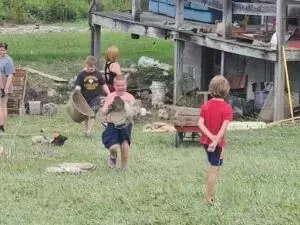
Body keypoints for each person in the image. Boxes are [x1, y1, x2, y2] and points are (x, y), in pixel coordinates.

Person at [198, 75, 233, 204]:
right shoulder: (227, 109)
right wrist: (215, 139)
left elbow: (200, 124)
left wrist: (210, 137)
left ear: (211, 89)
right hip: (216, 144)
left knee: (217, 159)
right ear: (226, 90)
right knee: (213, 169)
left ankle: (219, 161)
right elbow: (223, 129)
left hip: (206, 142)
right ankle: (209, 197)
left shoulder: (205, 106)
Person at [101, 75, 135, 169]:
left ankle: (123, 167)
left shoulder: (130, 97)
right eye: (118, 85)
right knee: (113, 146)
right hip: (112, 124)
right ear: (114, 86)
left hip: (125, 124)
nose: (121, 87)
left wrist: (129, 107)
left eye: (123, 85)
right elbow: (103, 111)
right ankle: (113, 155)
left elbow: (133, 111)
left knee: (125, 144)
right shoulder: (111, 96)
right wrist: (107, 110)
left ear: (126, 85)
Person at [75, 56, 110, 137]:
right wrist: (77, 90)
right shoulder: (81, 75)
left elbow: (103, 84)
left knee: (92, 114)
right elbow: (78, 85)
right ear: (86, 64)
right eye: (90, 66)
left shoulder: (98, 74)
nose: (92, 67)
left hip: (96, 97)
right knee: (86, 115)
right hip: (84, 98)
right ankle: (86, 130)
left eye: (94, 65)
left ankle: (89, 132)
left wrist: (109, 93)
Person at [0, 42, 15, 134]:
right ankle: (2, 126)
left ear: (6, 50)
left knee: (2, 105)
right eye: (0, 49)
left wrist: (5, 88)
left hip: (4, 85)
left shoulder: (8, 60)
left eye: (3, 50)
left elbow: (10, 75)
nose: (1, 51)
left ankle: (1, 126)